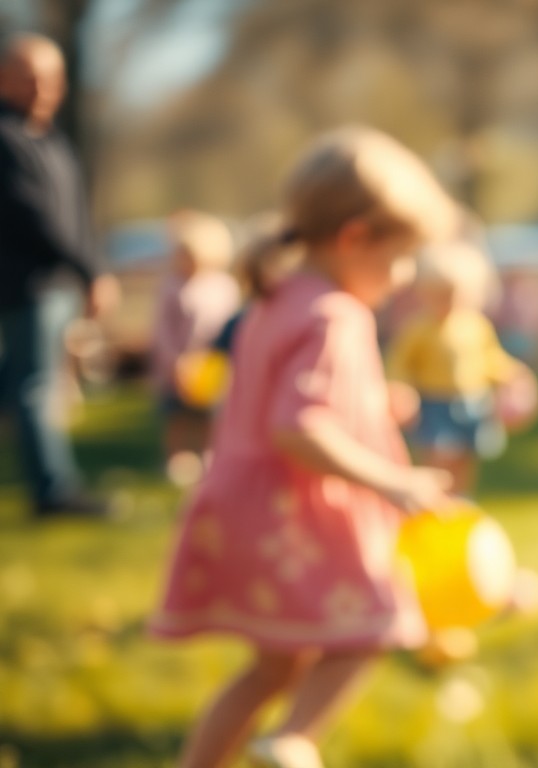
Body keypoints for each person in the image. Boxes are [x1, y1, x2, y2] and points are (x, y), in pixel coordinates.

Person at [149, 127, 457, 768]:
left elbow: (276, 399)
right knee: (373, 630)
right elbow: (298, 427)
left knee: (273, 667)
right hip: (296, 518)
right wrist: (394, 481)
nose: (403, 277)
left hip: (243, 507)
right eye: (401, 257)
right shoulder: (335, 315)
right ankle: (292, 741)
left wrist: (373, 406)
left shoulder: (277, 298)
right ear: (354, 238)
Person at [0, 34, 118, 518]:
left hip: (59, 284)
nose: (41, 88)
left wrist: (94, 271)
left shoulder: (51, 139)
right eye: (29, 77)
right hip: (27, 285)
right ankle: (52, 492)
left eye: (50, 78)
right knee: (34, 388)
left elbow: (76, 215)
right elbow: (35, 216)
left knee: (30, 383)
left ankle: (54, 486)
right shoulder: (6, 139)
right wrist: (87, 269)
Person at [387, 243, 524, 496]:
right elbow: (401, 363)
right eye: (439, 295)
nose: (447, 302)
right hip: (435, 402)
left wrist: (512, 374)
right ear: (424, 293)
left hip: (473, 402)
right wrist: (401, 388)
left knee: (466, 455)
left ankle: (460, 499)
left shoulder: (476, 325)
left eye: (454, 295)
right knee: (439, 455)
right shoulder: (419, 328)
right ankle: (434, 498)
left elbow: (490, 359)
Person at [152, 210, 240, 481]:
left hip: (211, 364)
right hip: (177, 364)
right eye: (181, 255)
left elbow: (231, 325)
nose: (184, 262)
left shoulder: (224, 286)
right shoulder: (172, 286)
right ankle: (175, 457)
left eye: (189, 256)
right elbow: (162, 329)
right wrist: (174, 361)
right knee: (177, 415)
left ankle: (209, 456)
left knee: (210, 415)